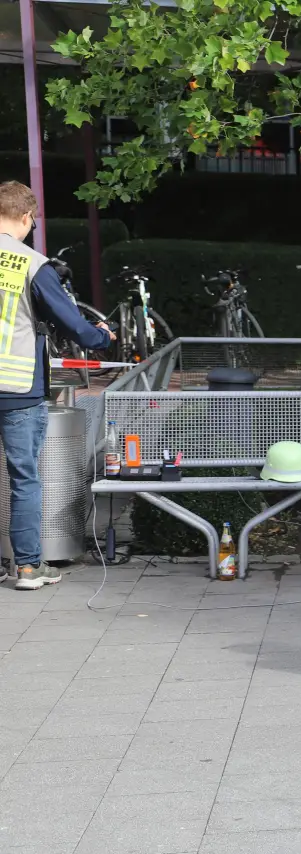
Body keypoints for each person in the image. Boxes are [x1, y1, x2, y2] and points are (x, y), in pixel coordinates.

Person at [0, 182, 115, 589]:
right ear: (28, 217)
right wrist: (102, 336)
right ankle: (28, 567)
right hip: (17, 389)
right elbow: (74, 325)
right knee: (24, 478)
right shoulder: (30, 264)